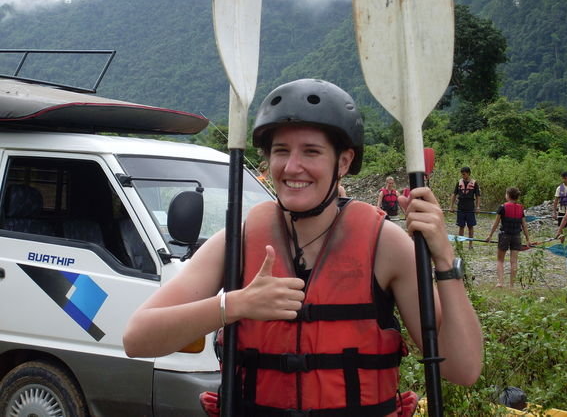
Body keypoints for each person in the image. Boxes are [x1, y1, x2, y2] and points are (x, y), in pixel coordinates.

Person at [123, 79, 482, 415]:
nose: (292, 167)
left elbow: (462, 369)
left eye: (311, 152)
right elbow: (138, 339)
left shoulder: (385, 244)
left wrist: (445, 260)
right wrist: (236, 303)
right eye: (281, 151)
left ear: (342, 162)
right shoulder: (238, 240)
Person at [486, 187, 531, 288]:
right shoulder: (520, 208)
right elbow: (524, 225)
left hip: (504, 235)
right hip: (516, 236)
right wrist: (528, 239)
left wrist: (490, 235)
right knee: (514, 261)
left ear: (508, 195)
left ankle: (501, 282)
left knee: (500, 260)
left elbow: (496, 223)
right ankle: (512, 286)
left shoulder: (502, 207)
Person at [449, 166, 481, 249]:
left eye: (464, 174)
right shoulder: (459, 182)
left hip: (470, 207)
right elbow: (454, 194)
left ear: (468, 173)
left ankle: (470, 245)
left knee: (470, 226)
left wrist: (477, 207)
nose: (463, 176)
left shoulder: (474, 183)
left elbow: (478, 196)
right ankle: (460, 245)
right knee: (461, 227)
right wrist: (451, 206)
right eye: (462, 174)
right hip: (461, 207)